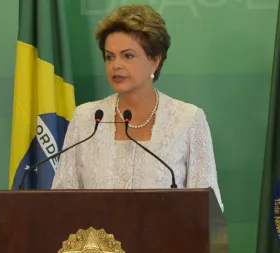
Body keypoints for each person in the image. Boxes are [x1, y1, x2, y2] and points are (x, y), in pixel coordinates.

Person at [51, 4, 224, 212]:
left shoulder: (187, 120)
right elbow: (62, 205)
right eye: (109, 56)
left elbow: (207, 210)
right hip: (97, 244)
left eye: (128, 56)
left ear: (154, 61)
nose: (116, 65)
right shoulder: (87, 118)